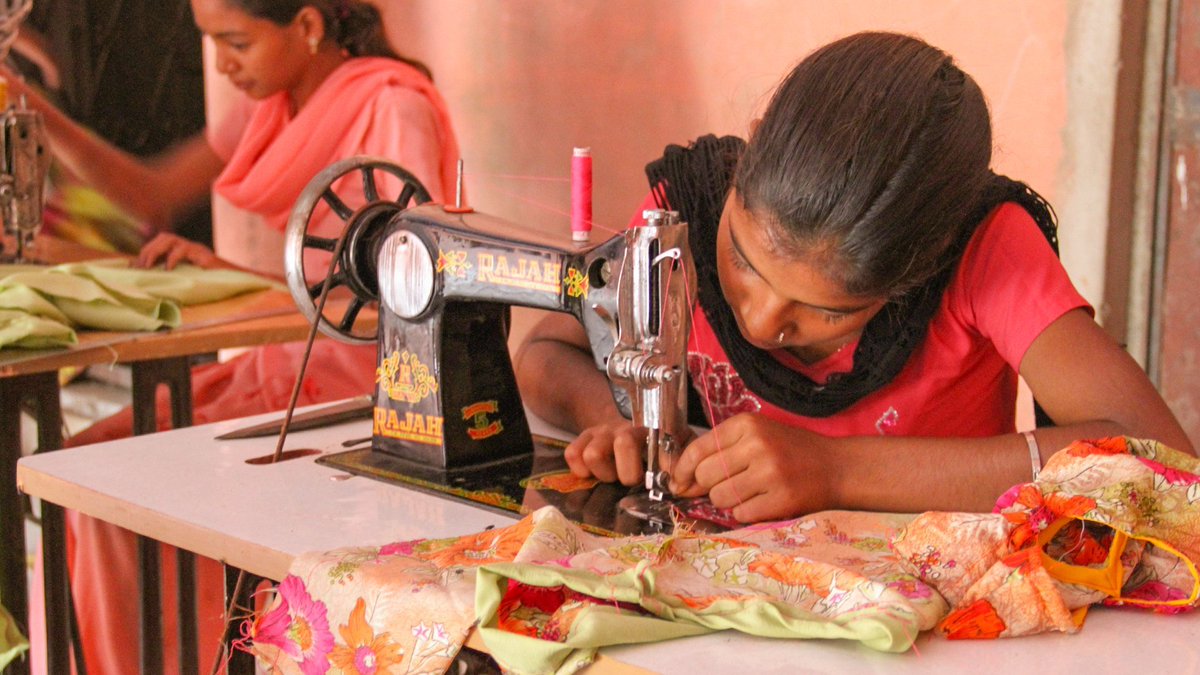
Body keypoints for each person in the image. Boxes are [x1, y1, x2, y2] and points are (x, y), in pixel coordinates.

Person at [514, 32, 1195, 527]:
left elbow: (1160, 460)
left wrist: (836, 470)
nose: (758, 321)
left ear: (921, 270)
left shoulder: (984, 247)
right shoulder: (683, 217)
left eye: (821, 312)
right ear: (746, 156)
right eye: (743, 261)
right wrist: (619, 421)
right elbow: (546, 352)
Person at [13, 1, 461, 673]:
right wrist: (36, 112)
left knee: (111, 492)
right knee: (81, 465)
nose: (222, 63)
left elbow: (404, 292)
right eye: (212, 42)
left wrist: (238, 276)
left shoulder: (394, 108)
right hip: (283, 360)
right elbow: (154, 194)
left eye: (236, 41)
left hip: (364, 385)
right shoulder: (273, 106)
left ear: (307, 28)